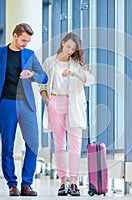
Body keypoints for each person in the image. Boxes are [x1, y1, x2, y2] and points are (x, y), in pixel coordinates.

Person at [0, 23, 48, 196]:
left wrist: (32, 75)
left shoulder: (30, 55)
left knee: (33, 144)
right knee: (7, 145)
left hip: (27, 105)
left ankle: (26, 184)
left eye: (28, 41)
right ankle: (12, 184)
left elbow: (44, 76)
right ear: (15, 36)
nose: (26, 43)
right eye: (24, 40)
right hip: (6, 104)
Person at [40, 32, 94, 196]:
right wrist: (48, 103)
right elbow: (42, 86)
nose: (70, 51)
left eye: (73, 49)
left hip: (73, 106)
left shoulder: (77, 64)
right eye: (68, 46)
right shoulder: (50, 62)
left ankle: (73, 183)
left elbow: (90, 80)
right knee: (59, 145)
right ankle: (62, 182)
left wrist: (74, 73)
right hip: (55, 104)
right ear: (63, 43)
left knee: (75, 146)